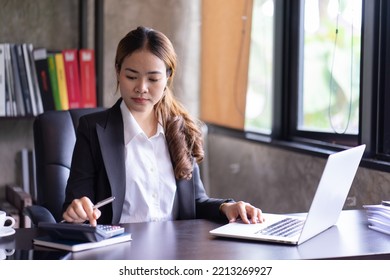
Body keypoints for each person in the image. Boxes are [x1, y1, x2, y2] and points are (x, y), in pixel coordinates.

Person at [62, 26, 264, 226]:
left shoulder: (180, 129)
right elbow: (75, 204)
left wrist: (226, 207)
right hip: (120, 251)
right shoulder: (93, 129)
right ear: (117, 71)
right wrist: (78, 209)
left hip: (176, 250)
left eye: (153, 79)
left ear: (168, 77)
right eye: (131, 76)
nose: (141, 88)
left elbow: (194, 203)